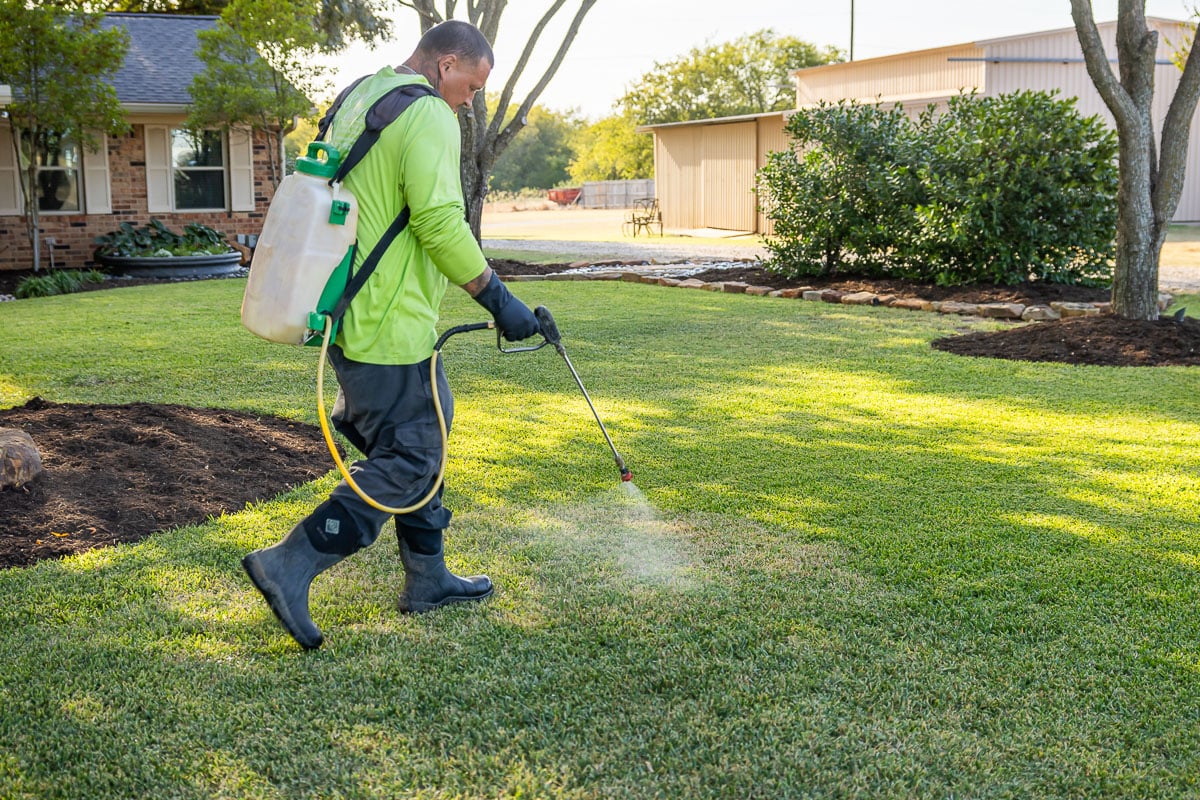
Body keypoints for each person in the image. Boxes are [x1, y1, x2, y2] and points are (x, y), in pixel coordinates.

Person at [242, 20, 540, 650]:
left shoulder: (364, 93)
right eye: (470, 85)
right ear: (447, 63)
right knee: (411, 458)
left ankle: (427, 576)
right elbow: (437, 219)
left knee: (431, 422)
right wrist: (497, 298)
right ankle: (289, 563)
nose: (470, 101)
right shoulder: (428, 114)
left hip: (349, 309)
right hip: (390, 319)